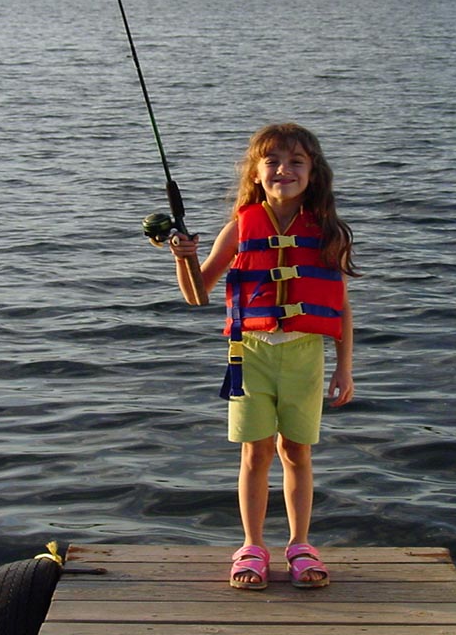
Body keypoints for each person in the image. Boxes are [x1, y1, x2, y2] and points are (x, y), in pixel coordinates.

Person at [168, 122, 356, 591]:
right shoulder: (239, 227)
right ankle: (252, 546)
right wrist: (182, 257)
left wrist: (345, 368)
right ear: (255, 172)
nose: (283, 171)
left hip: (306, 356)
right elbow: (198, 294)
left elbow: (341, 307)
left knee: (297, 451)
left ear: (314, 173)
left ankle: (299, 544)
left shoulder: (330, 232)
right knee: (255, 453)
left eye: (296, 162)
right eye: (271, 161)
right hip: (249, 355)